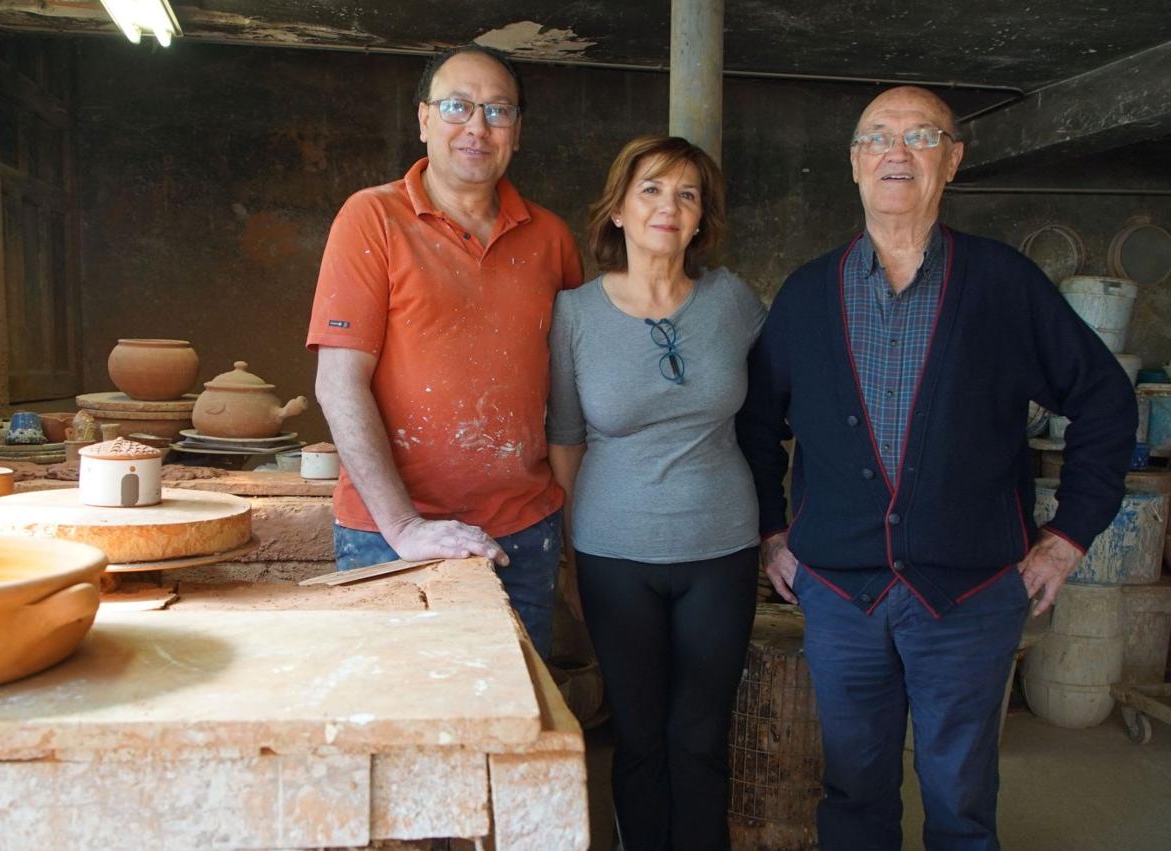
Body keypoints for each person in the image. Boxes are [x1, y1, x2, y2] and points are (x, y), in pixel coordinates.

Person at [737, 86, 1137, 850]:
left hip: (972, 593)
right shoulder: (805, 294)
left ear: (951, 161)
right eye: (878, 137)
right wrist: (774, 531)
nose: (897, 150)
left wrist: (1068, 536)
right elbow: (755, 425)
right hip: (841, 593)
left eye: (921, 135)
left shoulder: (1002, 285)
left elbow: (1107, 403)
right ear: (854, 162)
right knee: (852, 789)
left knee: (960, 795)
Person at [306, 45, 583, 658]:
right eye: (457, 106)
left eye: (497, 111)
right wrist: (404, 528)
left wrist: (572, 535)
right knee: (396, 721)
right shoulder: (372, 218)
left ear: (518, 130)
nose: (476, 128)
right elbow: (339, 382)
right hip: (390, 531)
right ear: (424, 119)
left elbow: (569, 402)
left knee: (513, 721)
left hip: (522, 530)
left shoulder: (552, 239)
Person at [547, 135, 766, 851]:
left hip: (720, 547)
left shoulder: (733, 300)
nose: (667, 206)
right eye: (650, 189)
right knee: (638, 737)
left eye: (687, 194)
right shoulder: (574, 314)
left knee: (700, 736)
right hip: (614, 554)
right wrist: (573, 565)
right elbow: (567, 441)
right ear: (616, 210)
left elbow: (774, 410)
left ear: (703, 219)